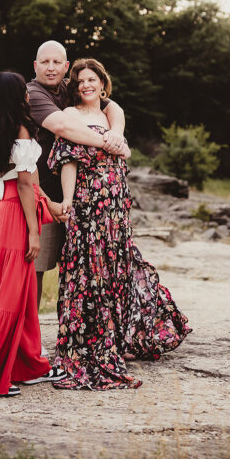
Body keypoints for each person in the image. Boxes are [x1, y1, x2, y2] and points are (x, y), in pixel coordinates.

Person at [49, 58, 191, 390]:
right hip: (88, 205)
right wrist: (68, 200)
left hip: (116, 205)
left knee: (116, 269)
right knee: (90, 272)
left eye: (91, 80)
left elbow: (122, 154)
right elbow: (68, 161)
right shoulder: (71, 116)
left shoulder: (111, 114)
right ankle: (88, 345)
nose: (86, 85)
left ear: (102, 83)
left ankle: (116, 339)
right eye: (80, 80)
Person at [0, 71, 66, 397]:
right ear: (15, 96)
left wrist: (48, 202)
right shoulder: (20, 129)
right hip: (17, 213)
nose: (27, 95)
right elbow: (23, 185)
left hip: (6, 209)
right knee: (11, 293)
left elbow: (27, 181)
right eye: (23, 91)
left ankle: (27, 365)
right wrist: (35, 233)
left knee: (18, 293)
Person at [27, 41, 129, 311]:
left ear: (66, 66)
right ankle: (31, 338)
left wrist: (116, 132)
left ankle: (87, 329)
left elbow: (110, 106)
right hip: (45, 193)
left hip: (85, 200)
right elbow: (62, 126)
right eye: (45, 62)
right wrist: (108, 142)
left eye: (57, 62)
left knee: (84, 267)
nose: (51, 68)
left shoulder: (71, 89)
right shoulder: (32, 92)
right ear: (35, 65)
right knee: (37, 267)